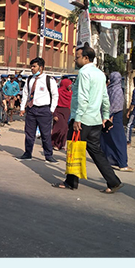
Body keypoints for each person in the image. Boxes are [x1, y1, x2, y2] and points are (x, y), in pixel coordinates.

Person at [53, 43, 122, 193]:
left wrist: (77, 119)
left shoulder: (84, 73)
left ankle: (71, 182)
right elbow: (105, 97)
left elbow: (83, 97)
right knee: (96, 151)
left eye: (77, 57)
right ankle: (113, 181)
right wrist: (105, 116)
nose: (75, 60)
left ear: (85, 58)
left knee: (73, 149)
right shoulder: (99, 74)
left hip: (82, 119)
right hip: (95, 120)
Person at [17, 57, 59, 163]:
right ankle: (28, 153)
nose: (32, 68)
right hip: (31, 109)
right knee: (29, 133)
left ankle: (48, 155)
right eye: (31, 66)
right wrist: (22, 108)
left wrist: (51, 109)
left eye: (34, 66)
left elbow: (55, 95)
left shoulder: (49, 80)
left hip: (44, 110)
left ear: (41, 67)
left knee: (45, 134)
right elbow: (25, 94)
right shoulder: (29, 80)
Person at [100, 72, 133, 172]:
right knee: (120, 141)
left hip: (106, 116)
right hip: (114, 118)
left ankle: (109, 160)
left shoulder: (108, 88)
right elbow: (116, 106)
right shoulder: (118, 90)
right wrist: (110, 116)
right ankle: (122, 164)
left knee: (108, 139)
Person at [51, 78, 72, 151]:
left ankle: (61, 144)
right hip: (58, 110)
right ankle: (54, 143)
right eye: (69, 85)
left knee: (65, 129)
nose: (70, 86)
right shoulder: (58, 92)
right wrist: (54, 114)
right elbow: (53, 103)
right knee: (62, 128)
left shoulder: (70, 93)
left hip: (66, 112)